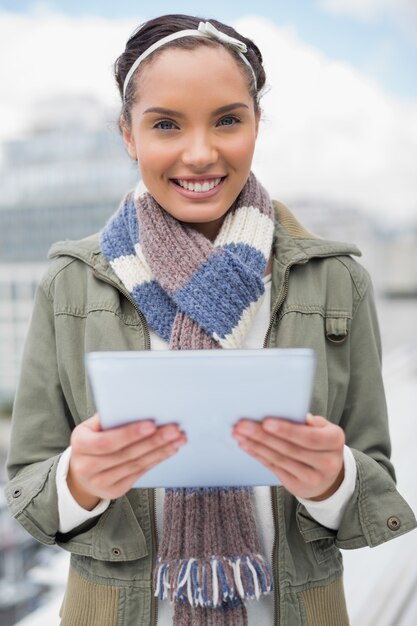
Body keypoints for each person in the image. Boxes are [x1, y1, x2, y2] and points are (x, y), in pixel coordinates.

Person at [5, 13, 416, 626]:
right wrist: (79, 478)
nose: (201, 153)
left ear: (256, 124)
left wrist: (335, 479)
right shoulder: (72, 282)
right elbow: (26, 494)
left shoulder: (336, 280)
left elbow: (373, 485)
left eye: (228, 119)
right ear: (127, 134)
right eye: (166, 125)